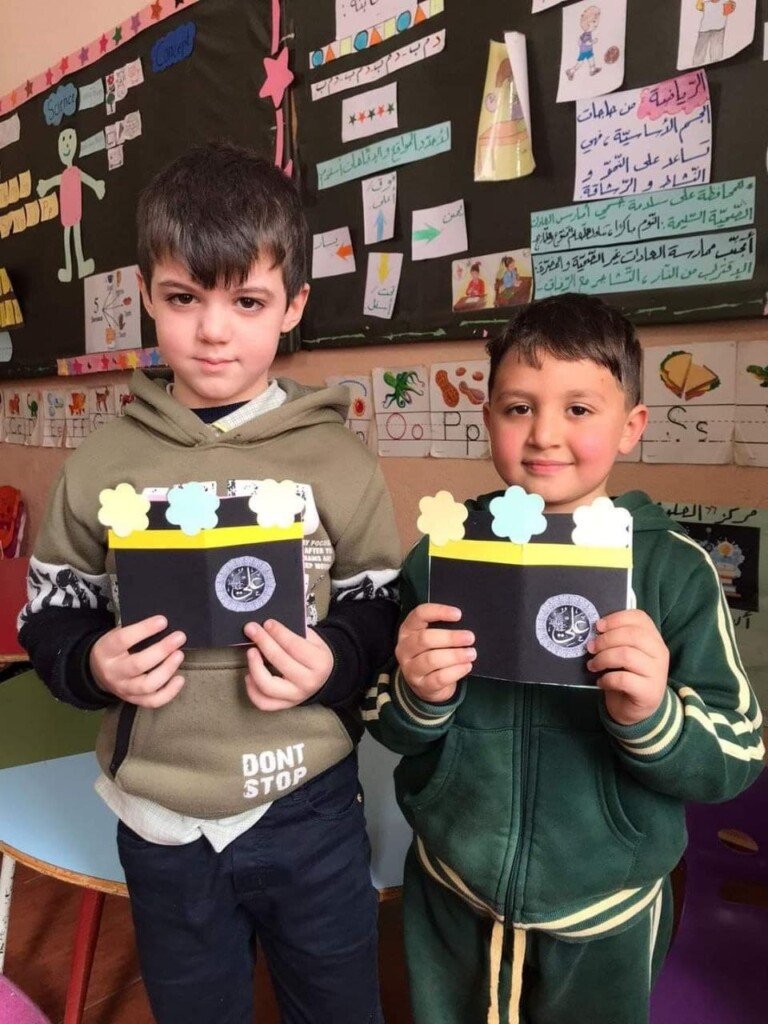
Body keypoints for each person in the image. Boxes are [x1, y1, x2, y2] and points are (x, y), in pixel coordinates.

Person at [19, 141, 401, 1024]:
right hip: (161, 817)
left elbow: (380, 598)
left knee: (338, 1006)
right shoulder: (103, 461)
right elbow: (53, 607)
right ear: (146, 295)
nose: (214, 330)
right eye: (184, 298)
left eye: (248, 301)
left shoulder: (338, 461)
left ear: (293, 305)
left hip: (308, 803)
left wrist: (336, 661)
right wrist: (91, 664)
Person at [363, 293, 764, 1024]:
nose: (544, 433)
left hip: (606, 913)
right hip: (451, 892)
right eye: (518, 408)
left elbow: (739, 751)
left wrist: (653, 715)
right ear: (488, 418)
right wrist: (418, 693)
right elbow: (383, 714)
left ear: (632, 426)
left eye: (579, 409)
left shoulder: (676, 571)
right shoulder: (443, 556)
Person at [692, 0, 736, 65]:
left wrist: (729, 7)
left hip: (718, 27)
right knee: (702, 50)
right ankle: (697, 64)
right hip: (707, 28)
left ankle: (712, 64)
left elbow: (731, 6)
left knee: (715, 50)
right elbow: (699, 7)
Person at [565, 5, 602, 81]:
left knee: (591, 59)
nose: (596, 24)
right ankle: (571, 71)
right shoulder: (586, 34)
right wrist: (593, 41)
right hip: (584, 51)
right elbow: (587, 42)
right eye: (594, 21)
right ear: (587, 23)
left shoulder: (588, 33)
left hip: (588, 50)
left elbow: (580, 41)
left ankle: (592, 70)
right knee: (579, 63)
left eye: (596, 21)